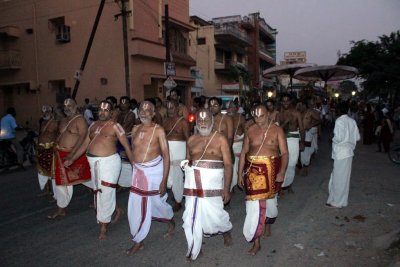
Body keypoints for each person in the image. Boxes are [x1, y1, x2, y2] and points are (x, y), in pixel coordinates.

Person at [181, 108, 233, 261]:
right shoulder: (191, 140)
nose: (203, 123)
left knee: (216, 214)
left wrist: (227, 189)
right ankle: (194, 245)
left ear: (212, 122)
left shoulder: (220, 139)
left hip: (213, 184)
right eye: (200, 120)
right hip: (193, 185)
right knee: (190, 216)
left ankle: (225, 230)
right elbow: (188, 163)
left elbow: (228, 165)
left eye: (206, 120)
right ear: (196, 122)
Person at [238, 104, 288, 256]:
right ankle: (256, 241)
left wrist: (282, 172)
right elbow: (244, 153)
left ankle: (268, 223)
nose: (258, 120)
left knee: (270, 205)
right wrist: (239, 173)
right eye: (255, 116)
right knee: (253, 207)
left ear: (269, 115)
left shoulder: (277, 130)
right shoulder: (250, 130)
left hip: (271, 171)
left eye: (262, 116)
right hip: (253, 172)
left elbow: (284, 153)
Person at [126, 101, 174, 255]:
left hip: (154, 172)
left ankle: (170, 220)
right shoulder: (135, 129)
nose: (144, 112)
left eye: (148, 110)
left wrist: (164, 181)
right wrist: (135, 167)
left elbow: (166, 156)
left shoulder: (158, 130)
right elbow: (134, 150)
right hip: (139, 172)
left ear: (153, 114)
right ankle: (138, 240)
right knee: (135, 204)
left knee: (157, 202)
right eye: (141, 109)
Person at [81, 100, 134, 239]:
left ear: (111, 113)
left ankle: (103, 225)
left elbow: (127, 146)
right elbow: (84, 144)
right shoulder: (92, 125)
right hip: (94, 162)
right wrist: (71, 158)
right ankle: (116, 209)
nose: (102, 112)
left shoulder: (116, 126)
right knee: (98, 192)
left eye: (106, 110)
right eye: (100, 109)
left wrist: (135, 165)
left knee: (105, 192)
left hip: (110, 163)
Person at [48, 98, 91, 219]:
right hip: (59, 153)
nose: (67, 108)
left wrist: (72, 154)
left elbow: (83, 138)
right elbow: (59, 135)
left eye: (70, 106)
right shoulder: (63, 120)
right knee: (60, 182)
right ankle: (61, 208)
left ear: (76, 105)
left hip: (74, 154)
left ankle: (101, 198)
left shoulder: (80, 120)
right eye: (65, 106)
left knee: (88, 179)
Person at [326, 101, 360, 209]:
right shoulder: (352, 121)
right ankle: (340, 200)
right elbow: (357, 137)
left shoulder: (339, 121)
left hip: (341, 153)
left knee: (338, 178)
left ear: (339, 110)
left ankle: (336, 202)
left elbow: (338, 138)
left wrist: (332, 137)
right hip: (349, 152)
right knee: (343, 178)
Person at [163, 99, 190, 212]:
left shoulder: (183, 122)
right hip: (167, 150)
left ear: (177, 108)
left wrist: (188, 156)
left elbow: (188, 139)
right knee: (168, 173)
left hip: (179, 151)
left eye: (172, 107)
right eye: (168, 108)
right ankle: (175, 194)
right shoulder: (165, 121)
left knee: (178, 176)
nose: (170, 110)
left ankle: (178, 200)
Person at [277, 94, 305, 193]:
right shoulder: (279, 114)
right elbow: (277, 129)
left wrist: (302, 142)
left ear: (290, 101)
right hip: (282, 140)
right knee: (281, 163)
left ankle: (289, 184)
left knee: (292, 163)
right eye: (283, 101)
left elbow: (302, 129)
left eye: (287, 101)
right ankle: (280, 186)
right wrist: (285, 122)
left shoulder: (297, 113)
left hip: (293, 140)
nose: (285, 103)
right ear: (281, 102)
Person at [37, 106, 59, 197]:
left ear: (51, 113)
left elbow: (59, 135)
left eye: (47, 112)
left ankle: (56, 194)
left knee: (52, 171)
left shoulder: (55, 123)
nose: (45, 114)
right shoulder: (42, 123)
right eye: (44, 112)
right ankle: (47, 190)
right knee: (43, 171)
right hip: (41, 149)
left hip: (51, 149)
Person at [227, 100, 246, 192]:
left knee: (237, 167)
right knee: (229, 166)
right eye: (229, 107)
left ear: (237, 108)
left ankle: (235, 182)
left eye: (233, 107)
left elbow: (246, 134)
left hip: (238, 145)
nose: (230, 109)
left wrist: (241, 142)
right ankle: (230, 187)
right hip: (227, 145)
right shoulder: (225, 118)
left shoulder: (241, 118)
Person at [299, 98, 321, 175]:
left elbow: (319, 120)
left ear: (304, 105)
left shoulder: (310, 112)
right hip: (300, 133)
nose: (299, 107)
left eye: (300, 105)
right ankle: (302, 165)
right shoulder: (298, 113)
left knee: (306, 150)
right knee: (301, 150)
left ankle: (305, 166)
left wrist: (310, 125)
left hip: (307, 133)